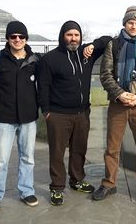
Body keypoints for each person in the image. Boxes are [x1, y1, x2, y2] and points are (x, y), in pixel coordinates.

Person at [37, 20, 111, 206]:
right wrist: (46, 112)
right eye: (69, 34)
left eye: (76, 35)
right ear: (63, 36)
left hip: (82, 113)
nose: (73, 38)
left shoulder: (86, 54)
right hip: (58, 114)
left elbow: (109, 40)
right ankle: (57, 187)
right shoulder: (50, 59)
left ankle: (76, 180)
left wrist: (93, 45)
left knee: (79, 149)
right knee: (57, 152)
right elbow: (43, 86)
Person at [92, 6, 136, 206]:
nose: (134, 26)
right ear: (124, 23)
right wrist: (120, 94)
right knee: (112, 147)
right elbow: (105, 74)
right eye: (130, 22)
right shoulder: (114, 45)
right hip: (118, 104)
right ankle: (109, 183)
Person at [0, 21, 40, 213]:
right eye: (13, 36)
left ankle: (26, 191)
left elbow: (45, 85)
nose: (17, 40)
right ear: (8, 39)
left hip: (28, 118)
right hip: (4, 117)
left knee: (28, 158)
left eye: (21, 37)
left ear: (26, 39)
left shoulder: (35, 59)